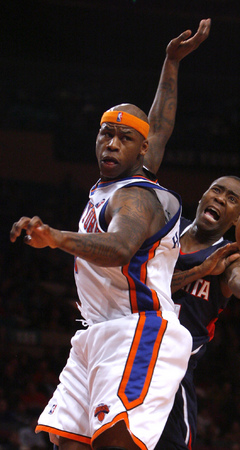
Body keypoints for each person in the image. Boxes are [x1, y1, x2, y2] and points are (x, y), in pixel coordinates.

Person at [142, 18, 240, 449]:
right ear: (203, 197)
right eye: (217, 189)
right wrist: (171, 62)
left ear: (238, 220)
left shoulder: (233, 253)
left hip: (167, 373)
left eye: (233, 198)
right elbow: (155, 138)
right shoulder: (163, 226)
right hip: (122, 348)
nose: (222, 197)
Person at [9, 104, 194, 450]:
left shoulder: (137, 196)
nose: (111, 144)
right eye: (106, 134)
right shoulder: (110, 188)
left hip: (138, 327)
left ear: (142, 149)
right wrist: (171, 61)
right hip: (95, 332)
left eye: (124, 138)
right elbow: (159, 128)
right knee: (68, 442)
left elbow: (122, 246)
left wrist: (56, 238)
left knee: (114, 442)